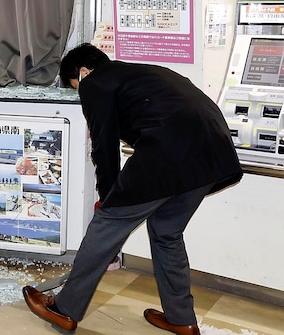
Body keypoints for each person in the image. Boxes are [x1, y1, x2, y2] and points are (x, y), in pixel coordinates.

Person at [22, 43, 242, 334]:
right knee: (166, 233)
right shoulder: (142, 72)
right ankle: (181, 318)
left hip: (168, 153)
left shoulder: (95, 83)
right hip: (213, 157)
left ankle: (64, 310)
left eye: (76, 86)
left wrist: (109, 199)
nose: (80, 91)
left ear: (84, 72)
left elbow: (104, 147)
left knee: (105, 227)